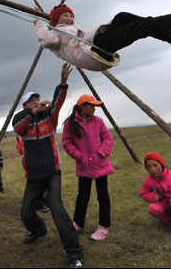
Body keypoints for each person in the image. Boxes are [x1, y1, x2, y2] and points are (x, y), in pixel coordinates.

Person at [12, 63, 84, 268]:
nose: (37, 101)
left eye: (37, 98)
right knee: (26, 213)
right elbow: (17, 126)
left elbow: (58, 102)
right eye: (32, 100)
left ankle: (75, 256)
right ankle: (38, 230)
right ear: (26, 105)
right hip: (34, 175)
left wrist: (62, 83)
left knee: (58, 212)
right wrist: (33, 112)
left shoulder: (49, 118)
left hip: (52, 171)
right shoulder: (23, 121)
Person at [34, 0, 171, 71]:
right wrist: (39, 24)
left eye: (70, 15)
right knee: (139, 28)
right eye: (64, 16)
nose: (69, 19)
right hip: (93, 52)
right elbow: (48, 41)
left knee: (124, 16)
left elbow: (88, 34)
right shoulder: (53, 32)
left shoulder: (74, 30)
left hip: (97, 44)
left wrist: (109, 26)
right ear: (55, 20)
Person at [62, 94, 114, 241]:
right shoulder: (70, 124)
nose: (94, 109)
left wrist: (102, 152)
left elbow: (108, 138)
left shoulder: (98, 121)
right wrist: (79, 156)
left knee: (103, 196)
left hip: (101, 164)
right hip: (84, 165)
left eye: (95, 106)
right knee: (83, 196)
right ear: (82, 106)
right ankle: (78, 223)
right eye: (91, 106)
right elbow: (67, 142)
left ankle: (103, 226)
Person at [17, 134, 50, 212]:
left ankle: (45, 203)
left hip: (38, 158)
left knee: (42, 180)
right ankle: (37, 203)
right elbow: (19, 142)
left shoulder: (33, 128)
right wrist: (20, 148)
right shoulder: (19, 132)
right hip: (27, 159)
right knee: (33, 182)